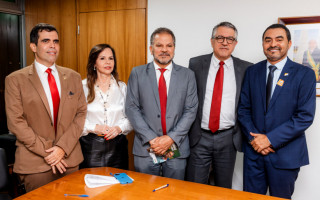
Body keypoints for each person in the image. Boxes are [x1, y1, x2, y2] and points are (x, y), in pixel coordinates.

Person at [5, 23, 87, 192]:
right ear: (33, 46)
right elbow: (16, 122)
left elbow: (80, 114)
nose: (52, 46)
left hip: (69, 160)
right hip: (35, 164)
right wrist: (50, 152)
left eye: (56, 41)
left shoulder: (73, 77)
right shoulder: (15, 80)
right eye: (46, 41)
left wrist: (62, 148)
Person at [238, 24, 316, 199]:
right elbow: (243, 109)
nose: (273, 44)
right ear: (263, 44)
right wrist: (255, 140)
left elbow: (304, 117)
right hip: (254, 154)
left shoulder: (304, 74)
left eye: (279, 39)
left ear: (289, 43)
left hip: (285, 156)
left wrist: (269, 140)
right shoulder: (252, 72)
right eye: (268, 40)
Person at [125, 27, 198, 180]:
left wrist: (170, 138)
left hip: (176, 147)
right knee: (145, 193)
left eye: (169, 45)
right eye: (159, 45)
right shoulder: (137, 73)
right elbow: (132, 108)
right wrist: (152, 139)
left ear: (174, 48)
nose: (164, 50)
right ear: (151, 49)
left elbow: (191, 110)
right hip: (146, 148)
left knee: (173, 193)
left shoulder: (188, 75)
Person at [186, 22, 252, 188]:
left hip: (228, 138)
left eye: (230, 39)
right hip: (199, 136)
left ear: (235, 43)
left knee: (223, 188)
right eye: (220, 38)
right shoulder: (195, 64)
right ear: (212, 41)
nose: (225, 42)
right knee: (195, 186)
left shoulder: (246, 68)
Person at [80, 44, 132, 169]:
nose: (108, 62)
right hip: (91, 148)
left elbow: (132, 117)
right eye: (102, 58)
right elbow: (74, 120)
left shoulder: (122, 87)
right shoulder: (82, 87)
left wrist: (119, 128)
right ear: (94, 63)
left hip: (118, 148)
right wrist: (95, 127)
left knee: (119, 186)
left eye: (111, 58)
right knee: (91, 187)